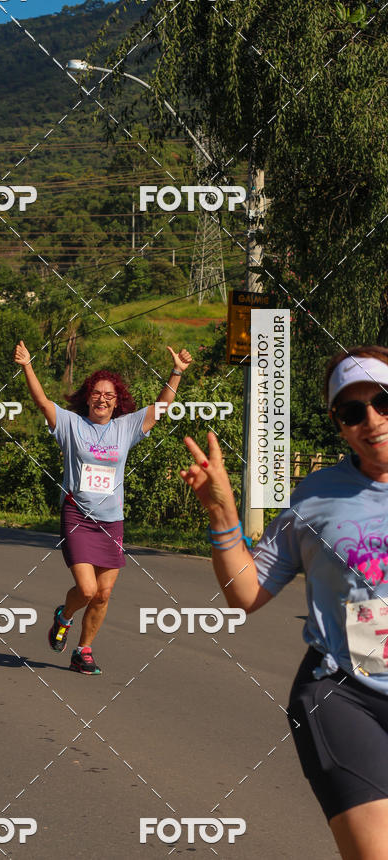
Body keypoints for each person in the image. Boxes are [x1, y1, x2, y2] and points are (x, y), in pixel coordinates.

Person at [180, 344, 388, 860]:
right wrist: (222, 512)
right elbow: (244, 594)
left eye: (384, 401)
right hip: (345, 693)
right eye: (352, 411)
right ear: (339, 425)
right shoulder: (315, 497)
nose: (373, 420)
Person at [14, 339, 192, 675]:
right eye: (97, 393)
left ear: (117, 403)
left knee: (103, 594)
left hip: (112, 521)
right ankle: (63, 617)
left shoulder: (125, 428)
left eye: (109, 395)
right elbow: (41, 401)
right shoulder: (70, 424)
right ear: (88, 397)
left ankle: (83, 650)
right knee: (86, 588)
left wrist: (176, 373)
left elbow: (162, 407)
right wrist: (27, 366)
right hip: (78, 514)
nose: (102, 398)